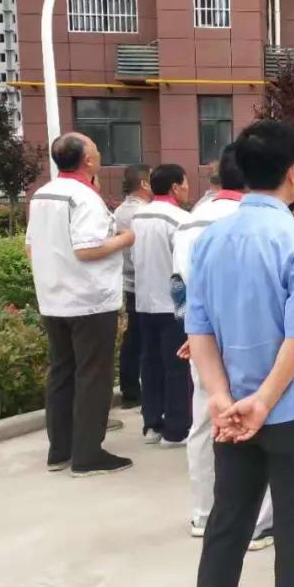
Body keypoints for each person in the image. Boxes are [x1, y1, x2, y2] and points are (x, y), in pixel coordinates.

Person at [187, 121, 294, 587]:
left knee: (229, 517)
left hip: (233, 409)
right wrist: (265, 402)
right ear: (293, 173)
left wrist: (220, 396)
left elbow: (199, 328)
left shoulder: (209, 240)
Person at [173, 145, 274, 551]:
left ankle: (203, 513)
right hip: (251, 338)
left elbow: (180, 287)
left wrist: (194, 331)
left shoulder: (190, 222)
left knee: (205, 419)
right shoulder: (258, 222)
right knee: (254, 422)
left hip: (201, 338)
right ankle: (257, 523)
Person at [26, 133, 135, 476]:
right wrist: (125, 238)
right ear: (87, 160)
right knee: (93, 376)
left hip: (53, 298)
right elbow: (87, 249)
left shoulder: (42, 194)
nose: (99, 153)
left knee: (62, 372)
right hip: (89, 302)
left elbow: (30, 247)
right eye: (96, 149)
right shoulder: (84, 197)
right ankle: (88, 455)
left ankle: (60, 450)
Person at [131, 164, 194, 446]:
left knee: (150, 364)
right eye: (185, 183)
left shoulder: (138, 217)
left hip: (144, 302)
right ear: (175, 187)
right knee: (177, 367)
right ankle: (176, 430)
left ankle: (152, 424)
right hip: (172, 305)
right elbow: (183, 268)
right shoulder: (180, 220)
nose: (188, 188)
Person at [113, 163, 152, 409]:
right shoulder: (144, 213)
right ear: (145, 184)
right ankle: (140, 391)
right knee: (147, 339)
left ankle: (130, 389)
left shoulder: (119, 211)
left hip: (129, 282)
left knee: (133, 337)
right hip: (147, 284)